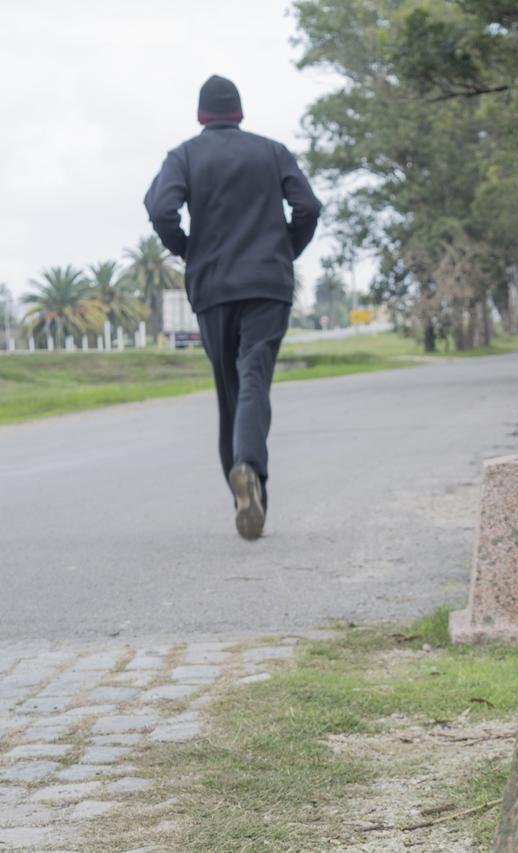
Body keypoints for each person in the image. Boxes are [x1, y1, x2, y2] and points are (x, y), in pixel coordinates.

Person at [144, 75, 322, 541]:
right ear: (239, 113)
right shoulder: (272, 151)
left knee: (230, 392)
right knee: (254, 379)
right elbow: (308, 207)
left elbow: (161, 208)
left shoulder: (182, 156)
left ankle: (243, 488)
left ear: (202, 116)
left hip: (213, 287)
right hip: (267, 283)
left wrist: (186, 248)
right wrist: (286, 249)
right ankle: (249, 470)